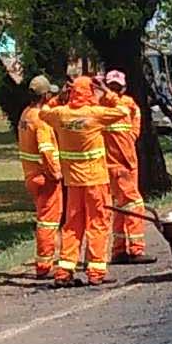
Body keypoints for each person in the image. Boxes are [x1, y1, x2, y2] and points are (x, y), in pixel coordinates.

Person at [50, 69, 118, 284]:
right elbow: (123, 110)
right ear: (90, 92)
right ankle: (96, 272)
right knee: (98, 223)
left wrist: (59, 97)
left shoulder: (60, 114)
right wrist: (106, 91)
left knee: (72, 225)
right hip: (96, 180)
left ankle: (64, 270)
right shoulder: (95, 114)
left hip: (73, 181)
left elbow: (44, 111)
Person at [16, 76, 65, 282]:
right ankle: (45, 265)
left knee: (44, 219)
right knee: (48, 222)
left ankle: (45, 262)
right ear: (44, 95)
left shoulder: (26, 115)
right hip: (45, 177)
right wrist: (56, 174)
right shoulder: (41, 120)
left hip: (31, 175)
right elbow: (46, 150)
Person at [99, 68, 150, 264]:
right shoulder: (103, 105)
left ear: (124, 88)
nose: (112, 90)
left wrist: (106, 93)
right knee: (133, 205)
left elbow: (132, 131)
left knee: (121, 206)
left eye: (116, 87)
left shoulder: (127, 105)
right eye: (110, 85)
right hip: (117, 166)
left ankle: (119, 250)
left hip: (127, 164)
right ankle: (135, 250)